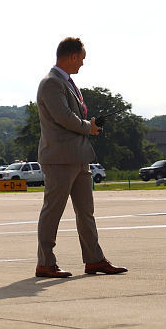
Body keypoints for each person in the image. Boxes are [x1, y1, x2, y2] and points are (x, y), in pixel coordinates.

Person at [34, 37, 128, 278]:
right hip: (60, 158)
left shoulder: (65, 82)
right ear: (72, 56)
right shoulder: (51, 83)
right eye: (82, 59)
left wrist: (89, 126)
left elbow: (71, 117)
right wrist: (89, 127)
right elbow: (64, 117)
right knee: (53, 210)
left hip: (78, 156)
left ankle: (95, 260)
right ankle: (45, 263)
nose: (82, 64)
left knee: (86, 211)